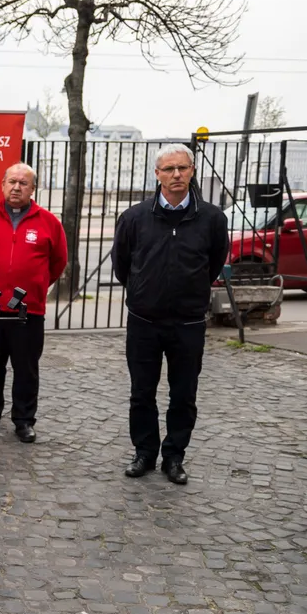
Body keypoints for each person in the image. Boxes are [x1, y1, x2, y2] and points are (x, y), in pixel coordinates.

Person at [113, 143, 228, 486]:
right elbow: (122, 265)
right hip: (144, 321)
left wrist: (189, 293)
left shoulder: (212, 218)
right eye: (169, 169)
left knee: (184, 395)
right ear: (157, 174)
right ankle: (144, 453)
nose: (176, 174)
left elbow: (214, 263)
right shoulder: (134, 218)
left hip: (188, 323)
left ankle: (174, 456)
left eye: (182, 168)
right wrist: (144, 291)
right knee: (141, 393)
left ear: (192, 171)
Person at [0, 162, 67, 443]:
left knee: (26, 370)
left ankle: (24, 421)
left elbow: (58, 262)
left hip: (28, 311)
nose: (16, 187)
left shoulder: (49, 222)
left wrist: (37, 284)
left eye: (23, 183)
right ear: (3, 185)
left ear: (33, 189)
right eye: (12, 182)